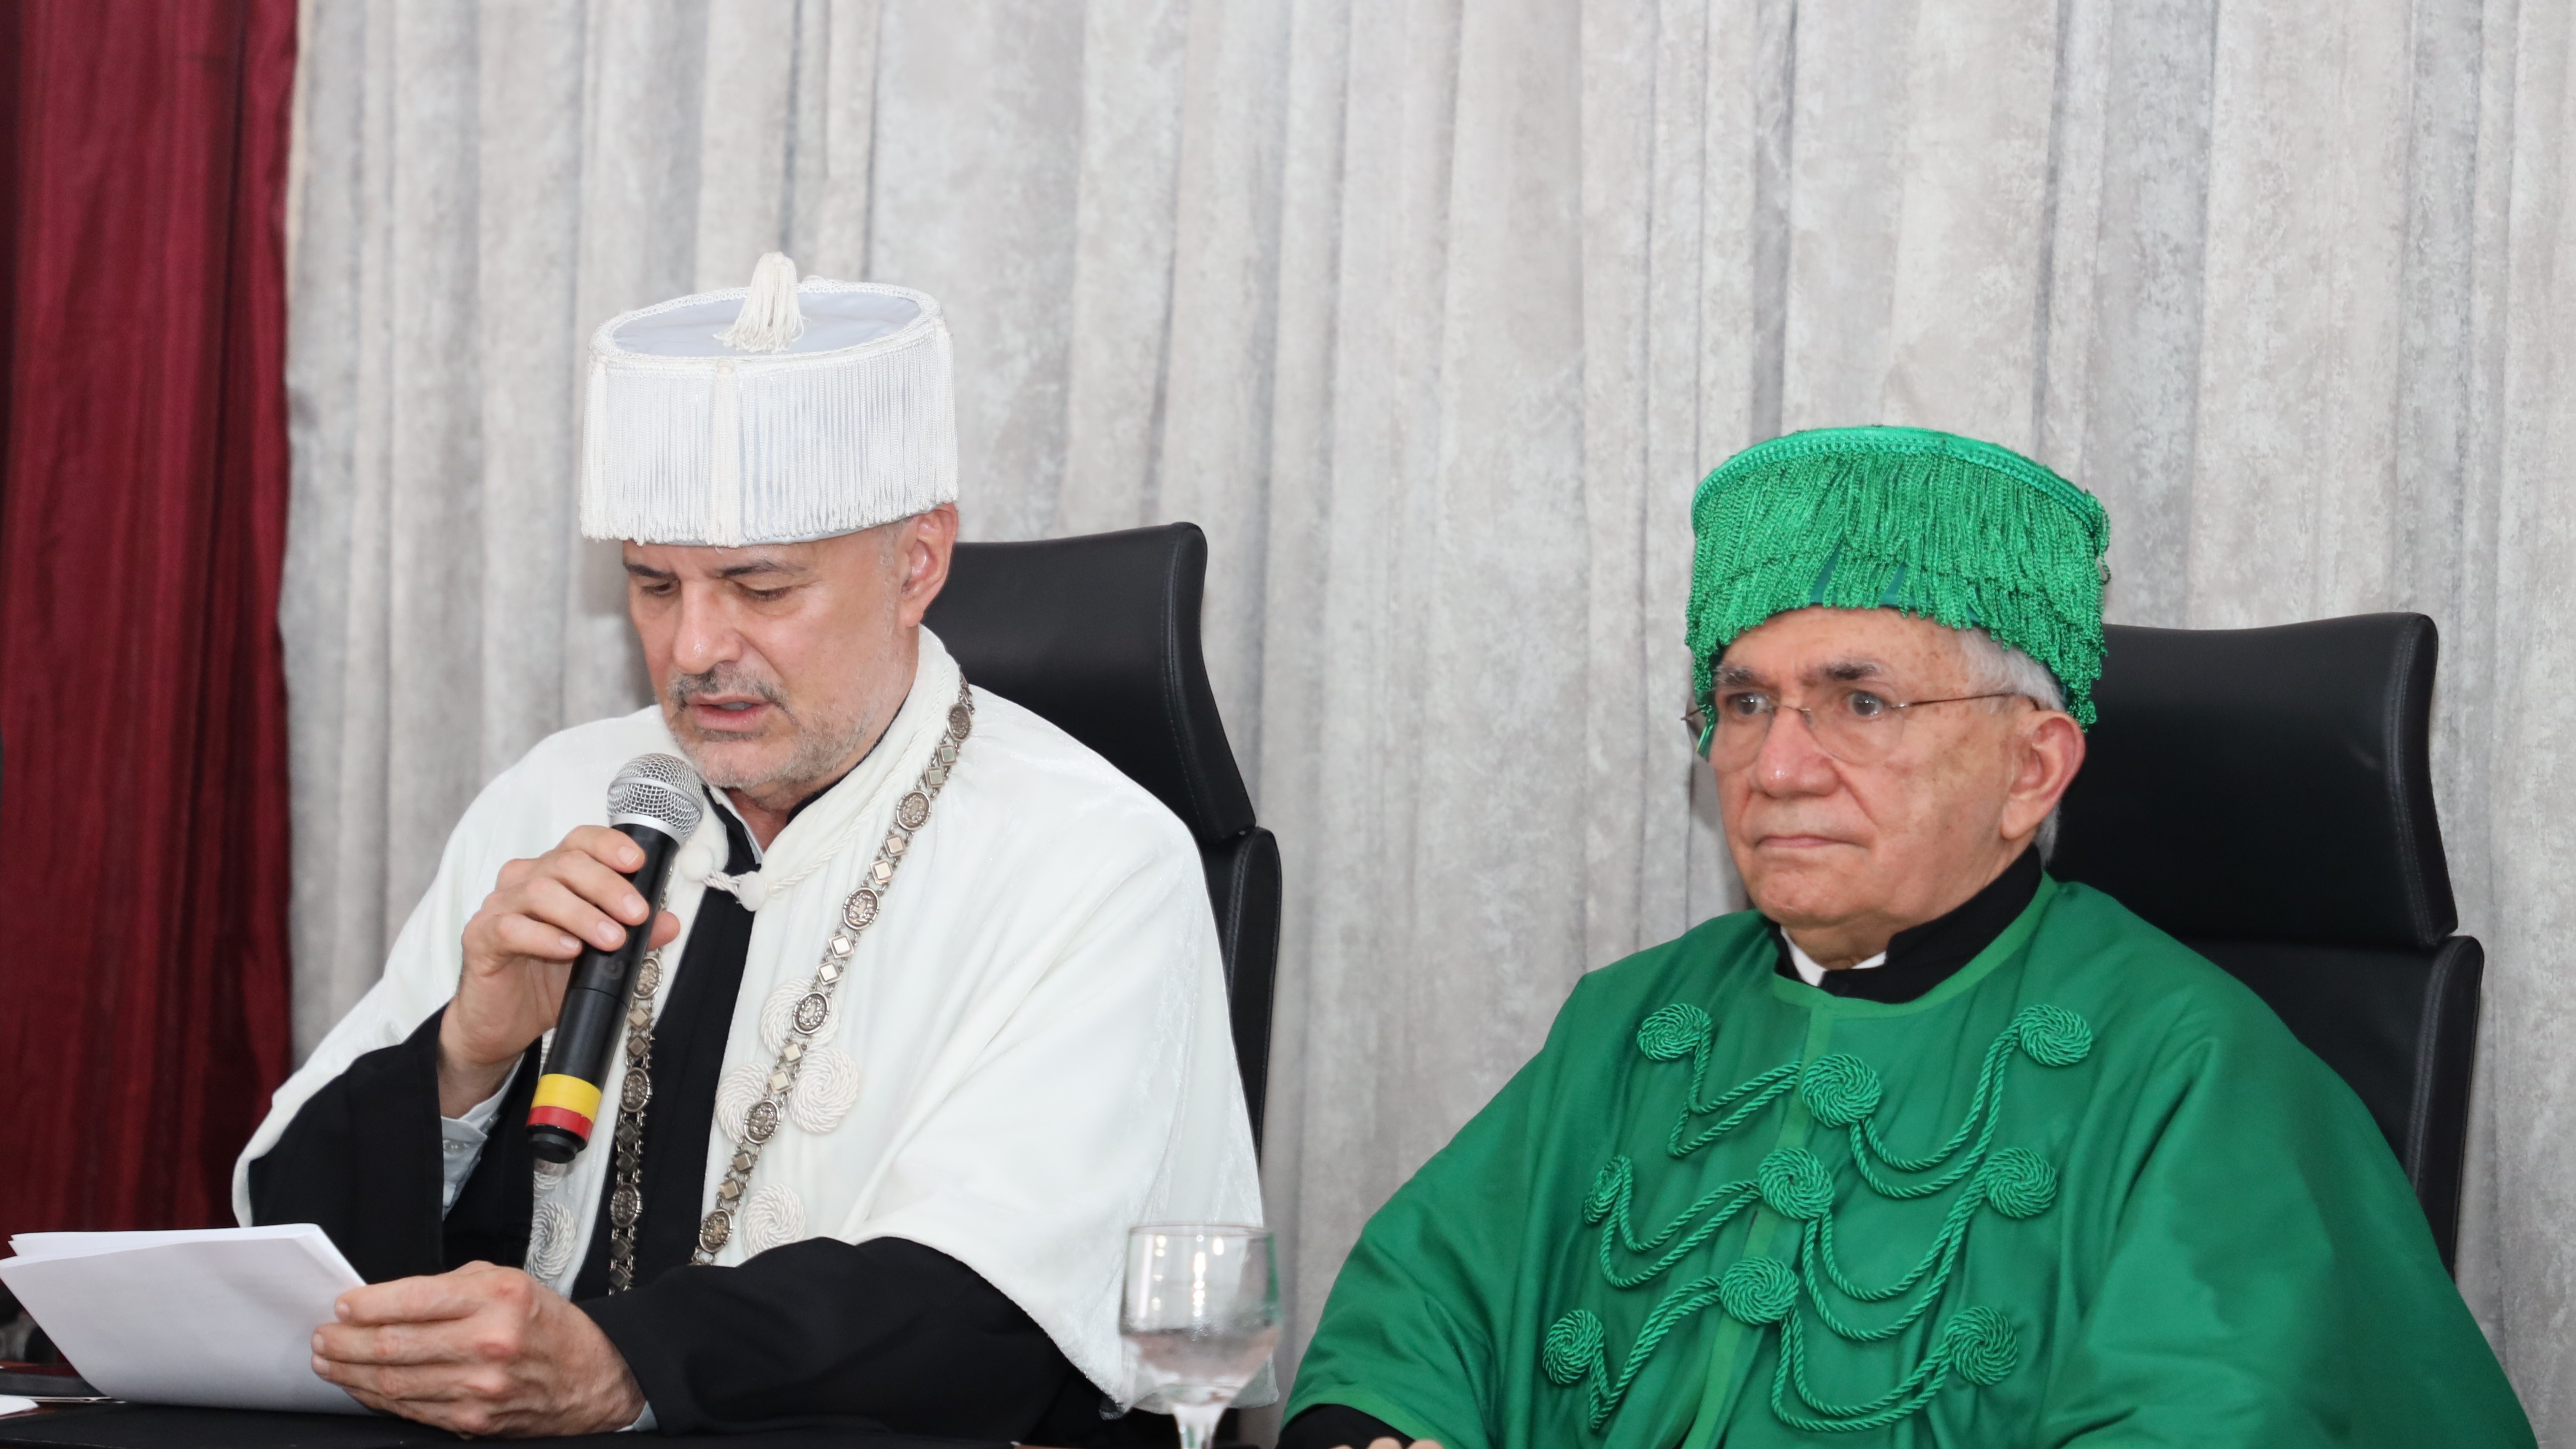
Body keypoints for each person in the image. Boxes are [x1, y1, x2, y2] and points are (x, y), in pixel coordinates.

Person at [1280, 427, 2533, 1448]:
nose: (1775, 766)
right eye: (1742, 701)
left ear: (2030, 767)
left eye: (1859, 701)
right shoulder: (1634, 1015)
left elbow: (2209, 1408)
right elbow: (1415, 1314)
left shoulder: (2190, 1067)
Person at [237, 255, 1262, 1442]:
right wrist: (467, 1052)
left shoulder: (1091, 854)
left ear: (916, 562)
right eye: (652, 584)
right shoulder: (558, 792)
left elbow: (994, 1304)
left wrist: (624, 1362)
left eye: (759, 587)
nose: (694, 648)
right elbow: (292, 1244)